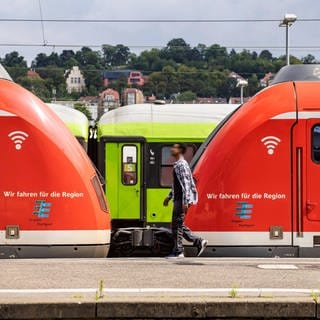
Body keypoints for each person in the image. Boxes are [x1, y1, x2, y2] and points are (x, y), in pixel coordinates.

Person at [163, 143, 208, 258]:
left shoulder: (181, 165)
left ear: (180, 151)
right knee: (178, 224)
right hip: (178, 199)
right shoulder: (178, 165)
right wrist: (169, 196)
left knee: (177, 225)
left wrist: (185, 201)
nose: (172, 149)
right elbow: (177, 184)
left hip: (181, 200)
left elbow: (186, 184)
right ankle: (198, 241)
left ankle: (179, 251)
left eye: (175, 147)